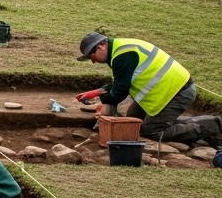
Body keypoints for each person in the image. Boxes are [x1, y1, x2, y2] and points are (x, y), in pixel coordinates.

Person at [74, 32, 218, 147]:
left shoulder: (122, 56)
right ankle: (183, 123)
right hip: (163, 91)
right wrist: (97, 92)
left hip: (176, 92)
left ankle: (209, 126)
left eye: (91, 57)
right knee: (133, 119)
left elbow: (120, 92)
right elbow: (121, 82)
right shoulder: (119, 49)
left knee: (150, 130)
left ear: (100, 47)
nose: (93, 61)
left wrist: (104, 100)